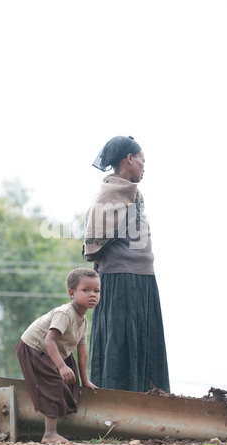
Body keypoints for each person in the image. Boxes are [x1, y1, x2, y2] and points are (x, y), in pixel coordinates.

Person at [83, 135, 170, 393]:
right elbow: (94, 243)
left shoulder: (134, 195)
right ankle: (113, 406)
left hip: (144, 278)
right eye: (142, 161)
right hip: (119, 280)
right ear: (129, 159)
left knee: (145, 340)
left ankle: (150, 403)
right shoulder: (107, 194)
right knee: (119, 342)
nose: (144, 166)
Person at [16, 267, 100, 444]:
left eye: (96, 291)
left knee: (72, 381)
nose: (92, 295)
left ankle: (58, 425)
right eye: (86, 290)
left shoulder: (83, 320)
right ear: (71, 293)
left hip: (56, 350)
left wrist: (84, 380)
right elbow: (49, 341)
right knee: (54, 383)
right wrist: (61, 367)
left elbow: (82, 352)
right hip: (34, 348)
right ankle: (49, 434)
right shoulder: (65, 313)